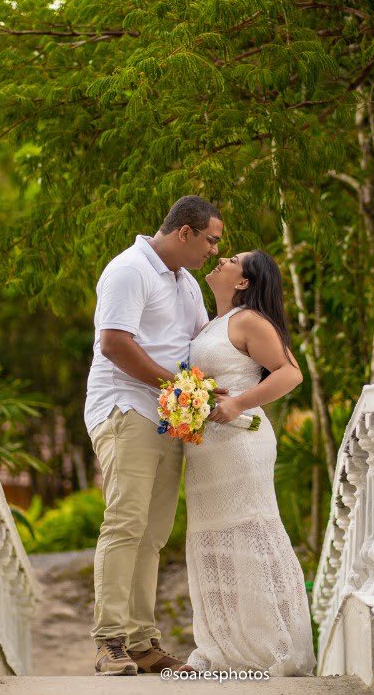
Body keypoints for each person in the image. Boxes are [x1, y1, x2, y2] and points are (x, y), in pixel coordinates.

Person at [85, 195, 223, 676]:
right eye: (211, 240)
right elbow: (114, 343)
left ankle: (142, 644)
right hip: (126, 407)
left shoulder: (186, 283)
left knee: (153, 534)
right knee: (125, 523)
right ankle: (109, 642)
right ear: (185, 232)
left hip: (170, 415)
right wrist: (177, 386)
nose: (214, 250)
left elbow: (204, 341)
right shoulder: (130, 270)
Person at [183, 250, 316, 676]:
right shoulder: (211, 323)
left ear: (244, 282)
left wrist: (238, 402)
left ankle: (272, 646)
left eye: (233, 259)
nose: (221, 258)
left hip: (240, 441)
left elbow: (290, 373)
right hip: (206, 448)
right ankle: (223, 648)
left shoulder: (249, 320)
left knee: (249, 531)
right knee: (212, 538)